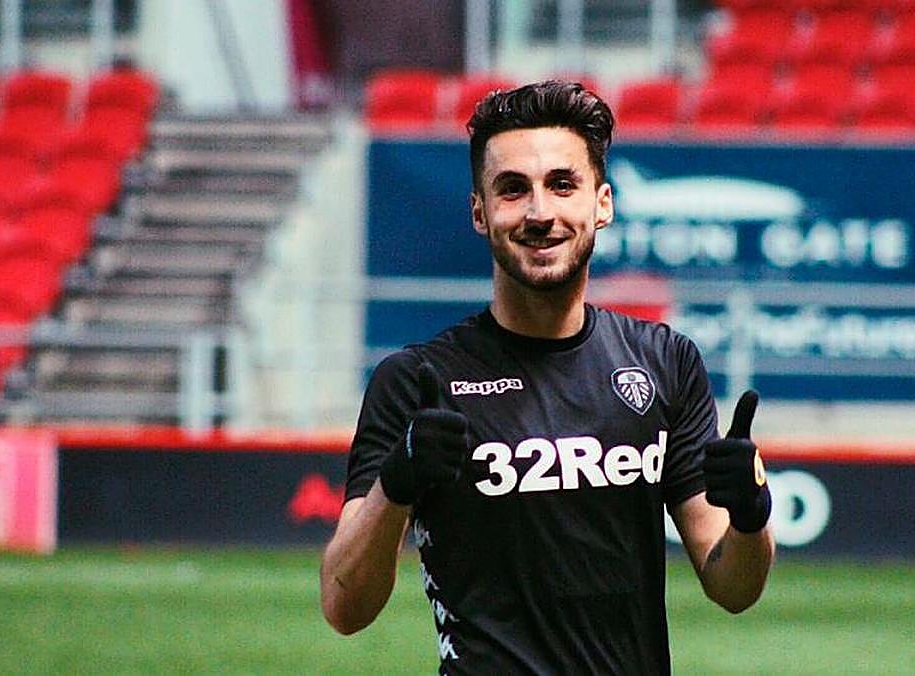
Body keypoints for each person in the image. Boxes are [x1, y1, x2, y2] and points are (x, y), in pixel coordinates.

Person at [320, 80, 775, 674]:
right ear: (480, 212)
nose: (540, 213)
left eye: (563, 184)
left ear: (602, 203)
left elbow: (734, 587)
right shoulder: (416, 380)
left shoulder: (666, 361)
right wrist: (396, 481)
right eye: (513, 189)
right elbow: (343, 606)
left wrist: (750, 515)